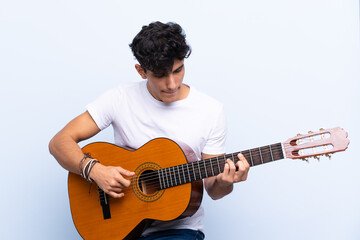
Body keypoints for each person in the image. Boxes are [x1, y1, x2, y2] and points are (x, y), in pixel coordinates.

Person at [49, 21, 250, 240]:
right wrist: (95, 171)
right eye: (160, 75)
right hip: (118, 228)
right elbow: (59, 142)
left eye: (178, 70)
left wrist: (226, 181)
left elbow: (214, 189)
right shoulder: (120, 98)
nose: (172, 84)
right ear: (141, 71)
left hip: (178, 231)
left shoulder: (211, 110)